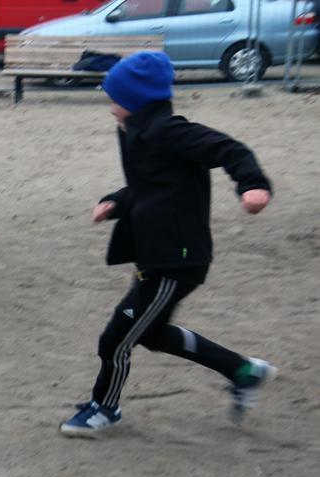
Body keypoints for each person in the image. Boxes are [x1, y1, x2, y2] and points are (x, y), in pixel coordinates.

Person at [59, 52, 276, 438]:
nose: (110, 107)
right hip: (155, 253)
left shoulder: (169, 130)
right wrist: (116, 202)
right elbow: (151, 185)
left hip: (176, 260)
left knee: (115, 340)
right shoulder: (134, 131)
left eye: (115, 99)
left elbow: (230, 150)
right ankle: (243, 370)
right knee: (152, 333)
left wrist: (253, 185)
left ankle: (105, 408)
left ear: (137, 101)